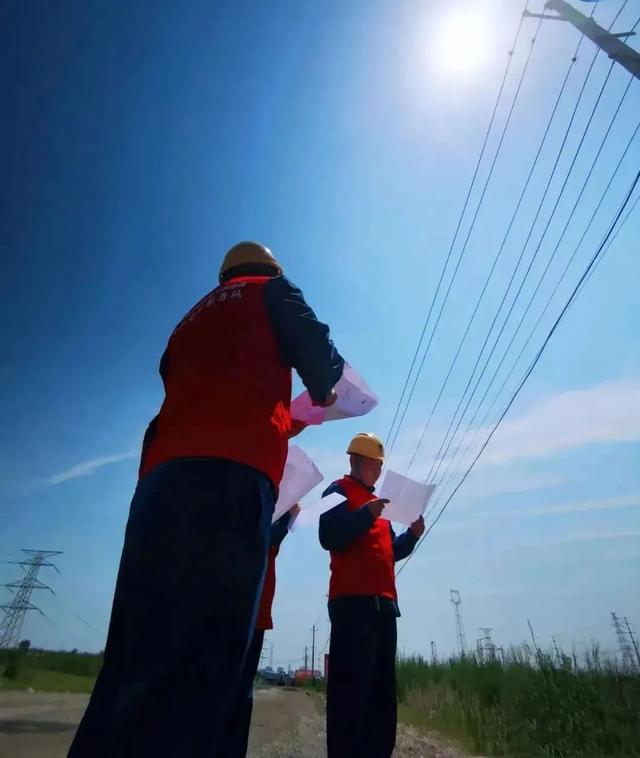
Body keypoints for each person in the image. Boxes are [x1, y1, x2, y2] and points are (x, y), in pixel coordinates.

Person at [68, 242, 344, 758]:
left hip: (158, 486)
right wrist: (325, 395)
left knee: (132, 658)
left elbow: (204, 388)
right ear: (270, 270)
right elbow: (321, 358)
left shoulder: (186, 321)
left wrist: (283, 416)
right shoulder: (274, 292)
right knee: (208, 663)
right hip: (231, 482)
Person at [318, 432, 425, 758]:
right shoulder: (334, 491)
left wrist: (413, 535)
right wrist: (366, 514)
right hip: (352, 606)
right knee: (350, 692)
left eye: (380, 466)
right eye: (374, 465)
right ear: (356, 461)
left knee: (381, 693)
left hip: (384, 608)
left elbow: (390, 552)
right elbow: (327, 535)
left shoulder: (380, 507)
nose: (378, 472)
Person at [221, 503, 300, 757]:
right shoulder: (248, 506)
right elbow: (263, 537)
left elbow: (270, 539)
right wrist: (288, 516)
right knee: (229, 691)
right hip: (234, 611)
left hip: (255, 613)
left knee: (240, 693)